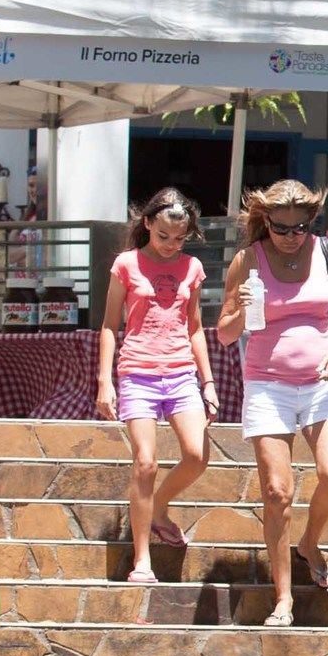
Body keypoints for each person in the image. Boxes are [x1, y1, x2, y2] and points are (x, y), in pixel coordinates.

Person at [216, 180, 328, 627]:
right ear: (266, 221)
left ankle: (310, 543)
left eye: (302, 226)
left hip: (322, 381)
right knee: (277, 492)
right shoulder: (246, 261)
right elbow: (223, 333)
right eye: (283, 228)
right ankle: (283, 598)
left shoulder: (327, 253)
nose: (293, 235)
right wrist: (240, 311)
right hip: (267, 386)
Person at [105, 190, 217, 583]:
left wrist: (208, 381)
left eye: (180, 238)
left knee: (197, 454)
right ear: (148, 224)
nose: (171, 245)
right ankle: (142, 559)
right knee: (146, 462)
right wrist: (105, 381)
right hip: (137, 371)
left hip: (182, 371)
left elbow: (195, 327)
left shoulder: (192, 268)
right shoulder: (126, 264)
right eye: (164, 235)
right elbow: (109, 325)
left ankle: (159, 507)